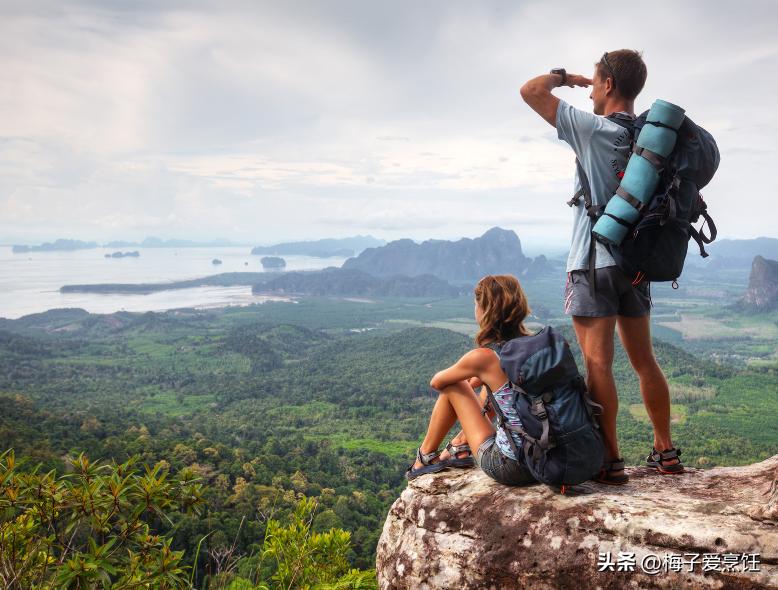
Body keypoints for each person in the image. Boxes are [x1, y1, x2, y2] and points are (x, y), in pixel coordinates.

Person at [519, 50, 683, 484]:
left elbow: (530, 91)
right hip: (636, 263)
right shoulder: (649, 139)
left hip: (593, 263)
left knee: (598, 365)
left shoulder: (593, 129)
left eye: (594, 83)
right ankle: (666, 451)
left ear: (609, 85)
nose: (589, 91)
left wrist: (565, 77)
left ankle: (610, 461)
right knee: (645, 361)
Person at [405, 275, 535, 486]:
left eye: (476, 305)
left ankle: (425, 457)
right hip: (548, 458)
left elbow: (437, 382)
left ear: (485, 310)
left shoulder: (485, 357)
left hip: (513, 466)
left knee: (454, 384)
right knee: (493, 387)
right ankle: (460, 444)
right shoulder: (535, 345)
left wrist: (473, 373)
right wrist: (480, 378)